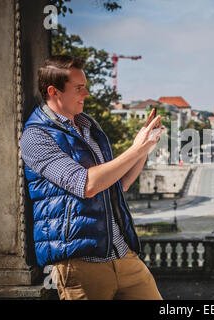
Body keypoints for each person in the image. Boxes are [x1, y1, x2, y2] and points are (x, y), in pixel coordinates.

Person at [20, 55, 163, 300]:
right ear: (54, 92)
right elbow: (87, 184)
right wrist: (136, 148)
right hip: (80, 263)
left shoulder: (88, 127)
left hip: (121, 253)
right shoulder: (36, 137)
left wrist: (147, 145)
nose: (86, 94)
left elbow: (119, 184)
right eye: (79, 88)